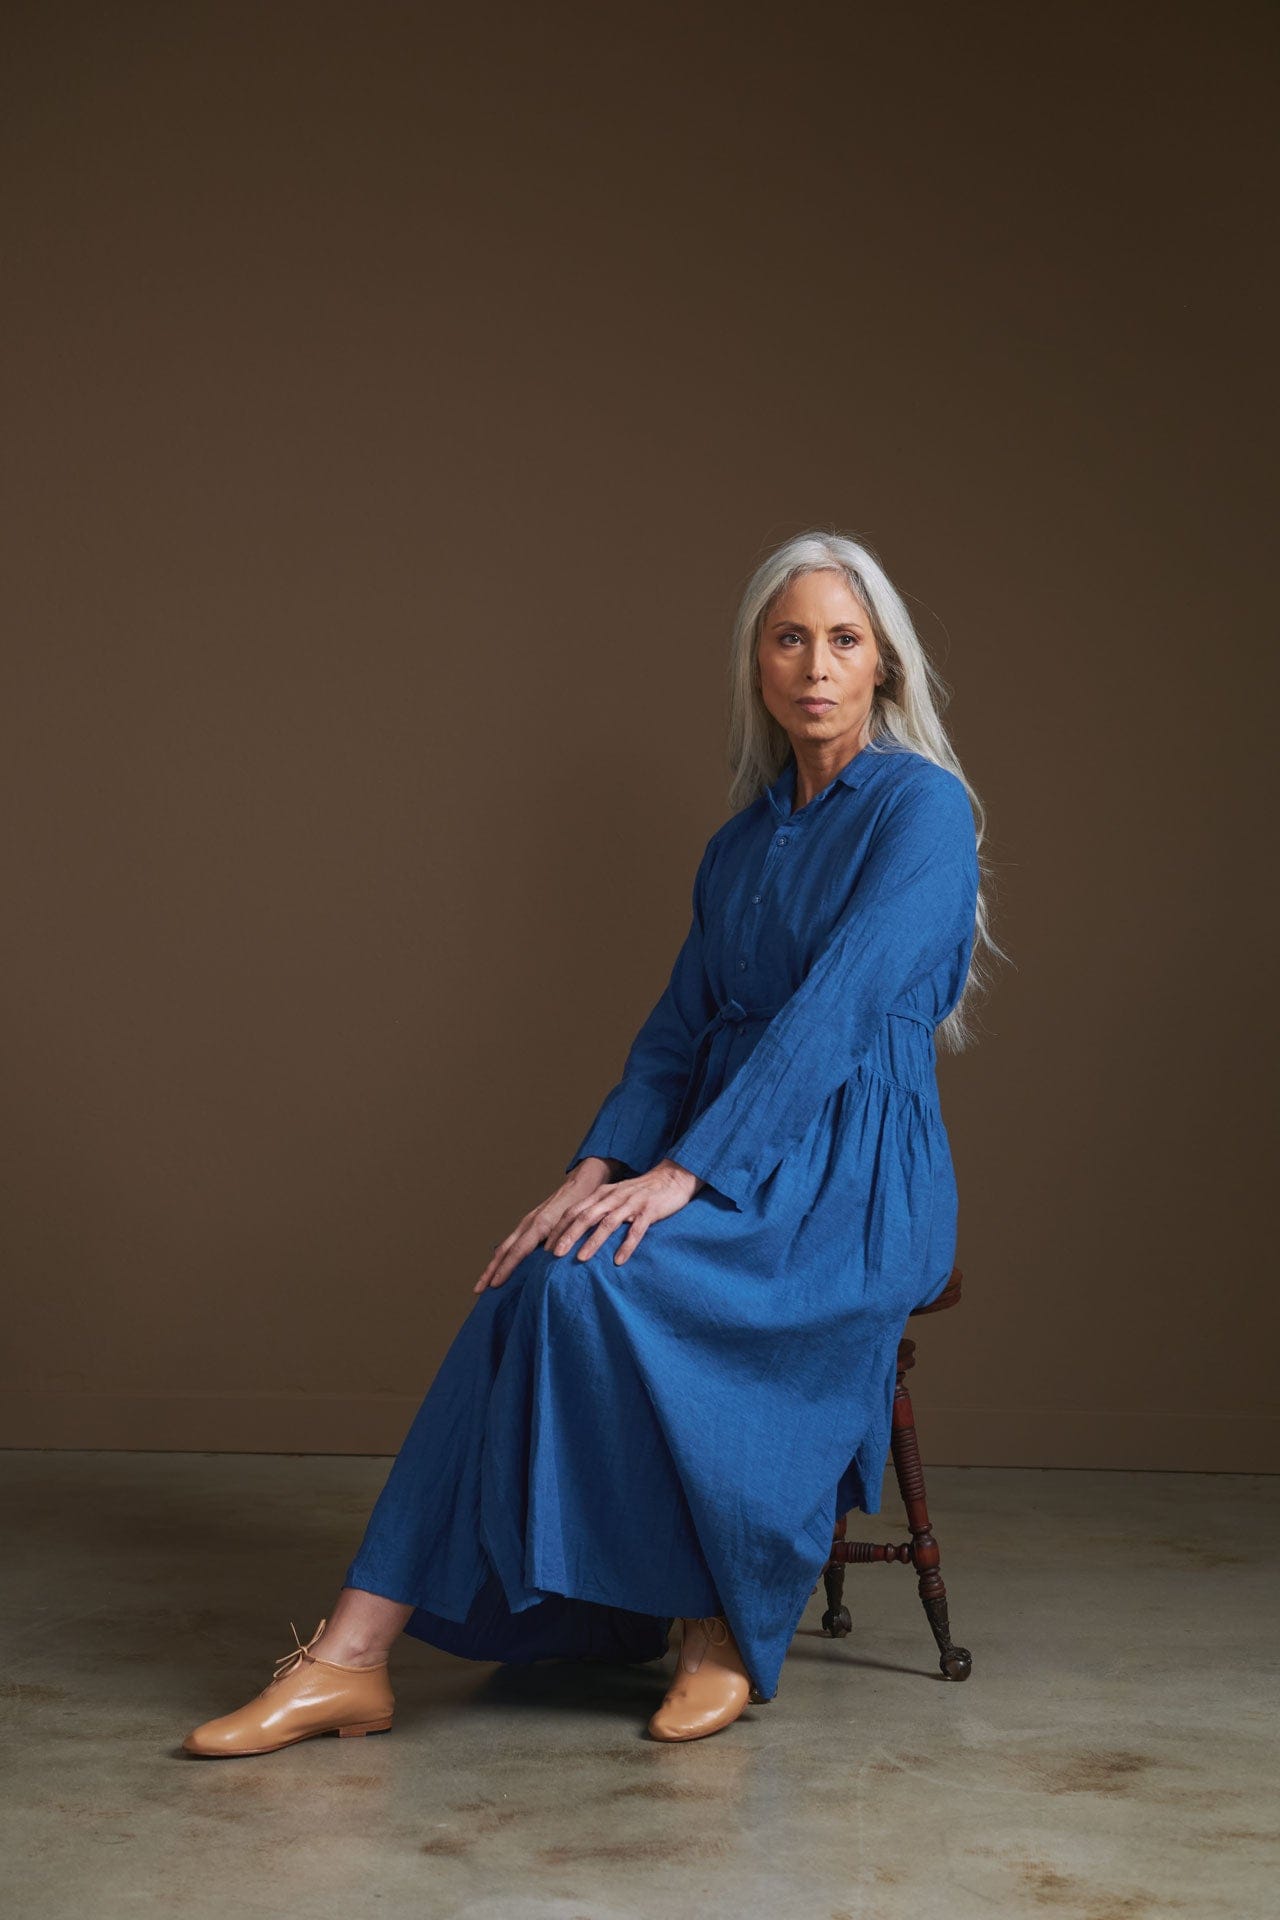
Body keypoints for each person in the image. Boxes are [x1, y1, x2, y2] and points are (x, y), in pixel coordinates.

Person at [182, 529, 999, 1756]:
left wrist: (685, 1172)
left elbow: (832, 1020)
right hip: (719, 1154)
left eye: (841, 640)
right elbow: (675, 1034)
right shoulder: (738, 845)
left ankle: (712, 1617)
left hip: (846, 1180)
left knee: (608, 1292)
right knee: (539, 1279)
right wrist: (593, 1171)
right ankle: (349, 1657)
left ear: (883, 664)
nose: (814, 667)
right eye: (788, 639)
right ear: (755, 666)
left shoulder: (921, 810)